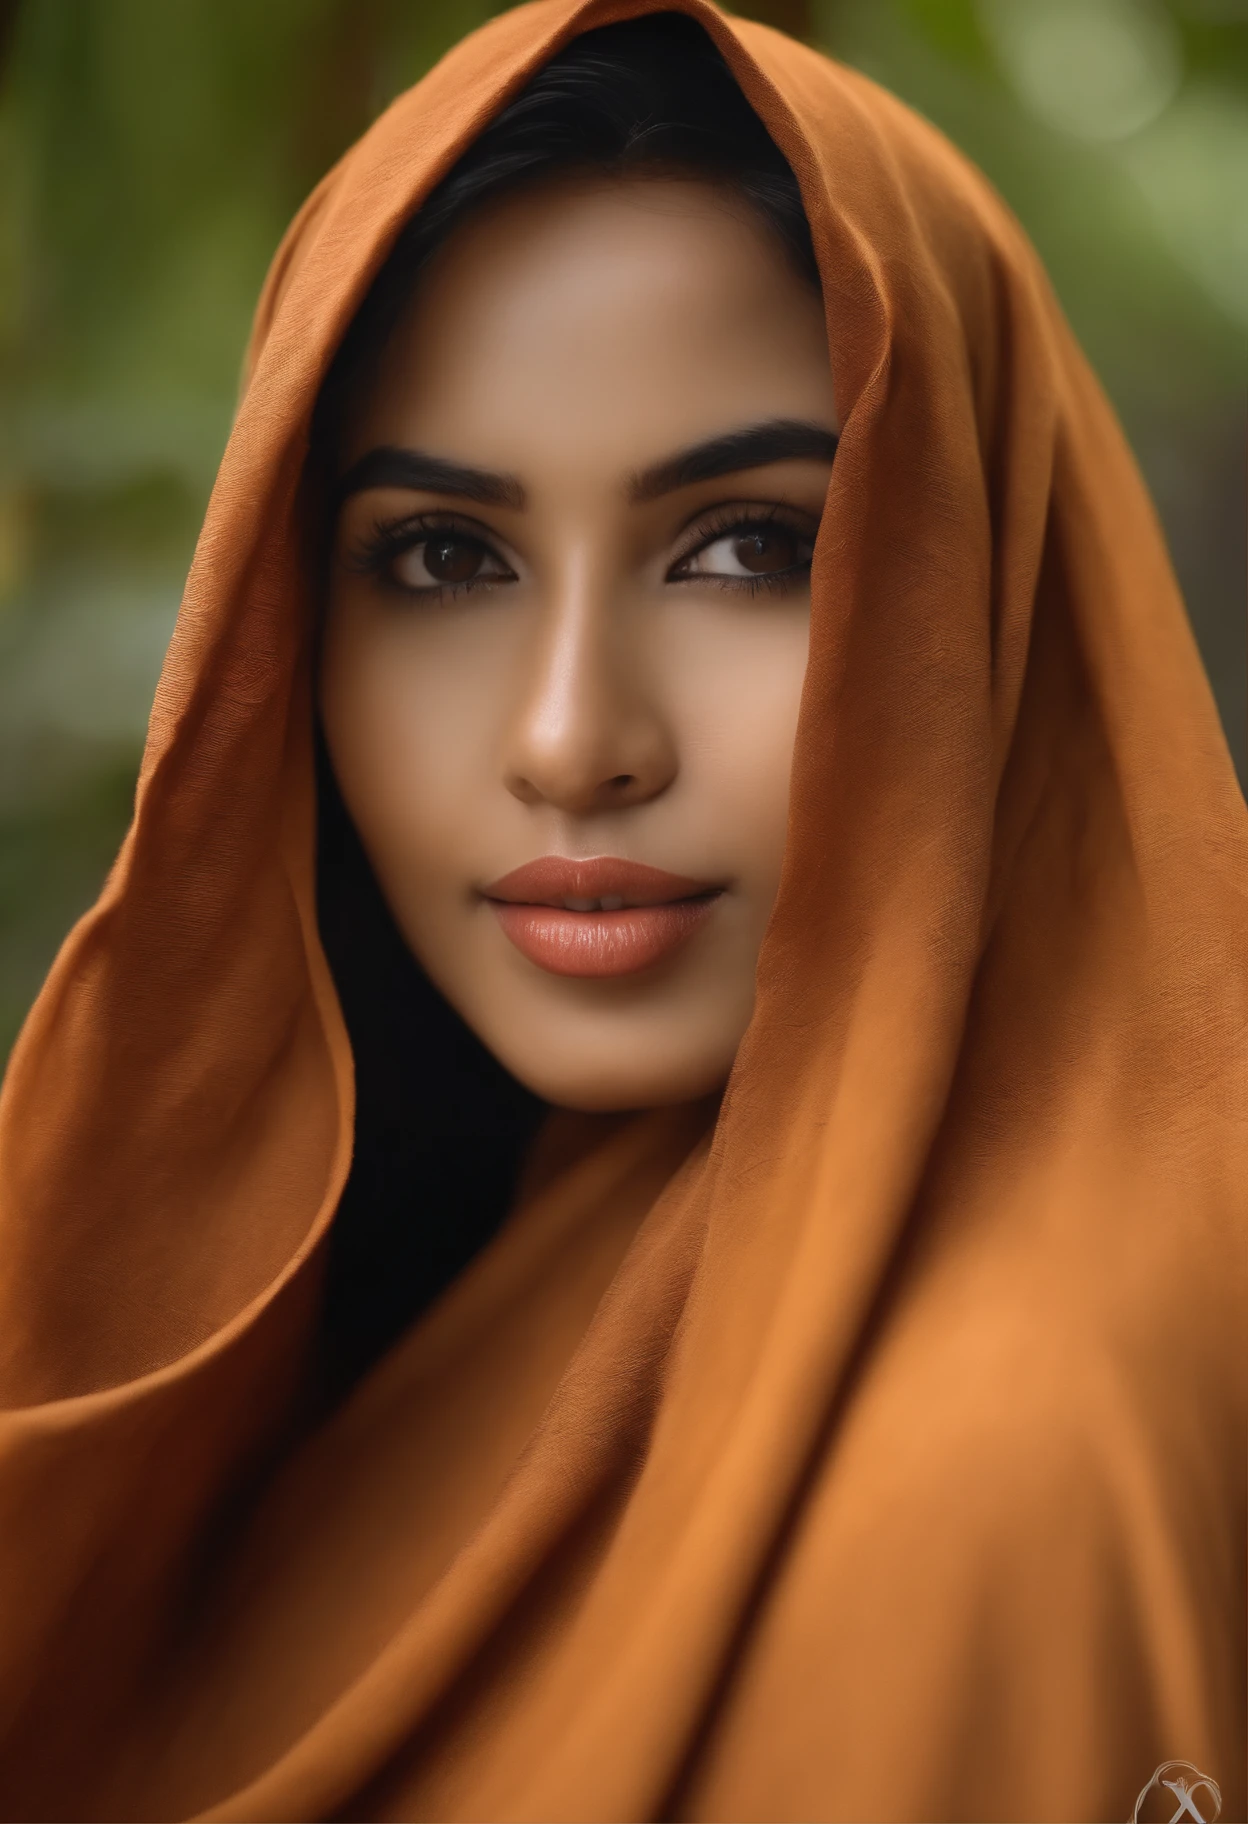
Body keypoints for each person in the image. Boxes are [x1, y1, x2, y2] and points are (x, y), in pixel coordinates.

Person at [0, 5, 1242, 1820]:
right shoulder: (483, 1270)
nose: (571, 740)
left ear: (983, 584)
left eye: (750, 546)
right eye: (444, 556)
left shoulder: (997, 1479)